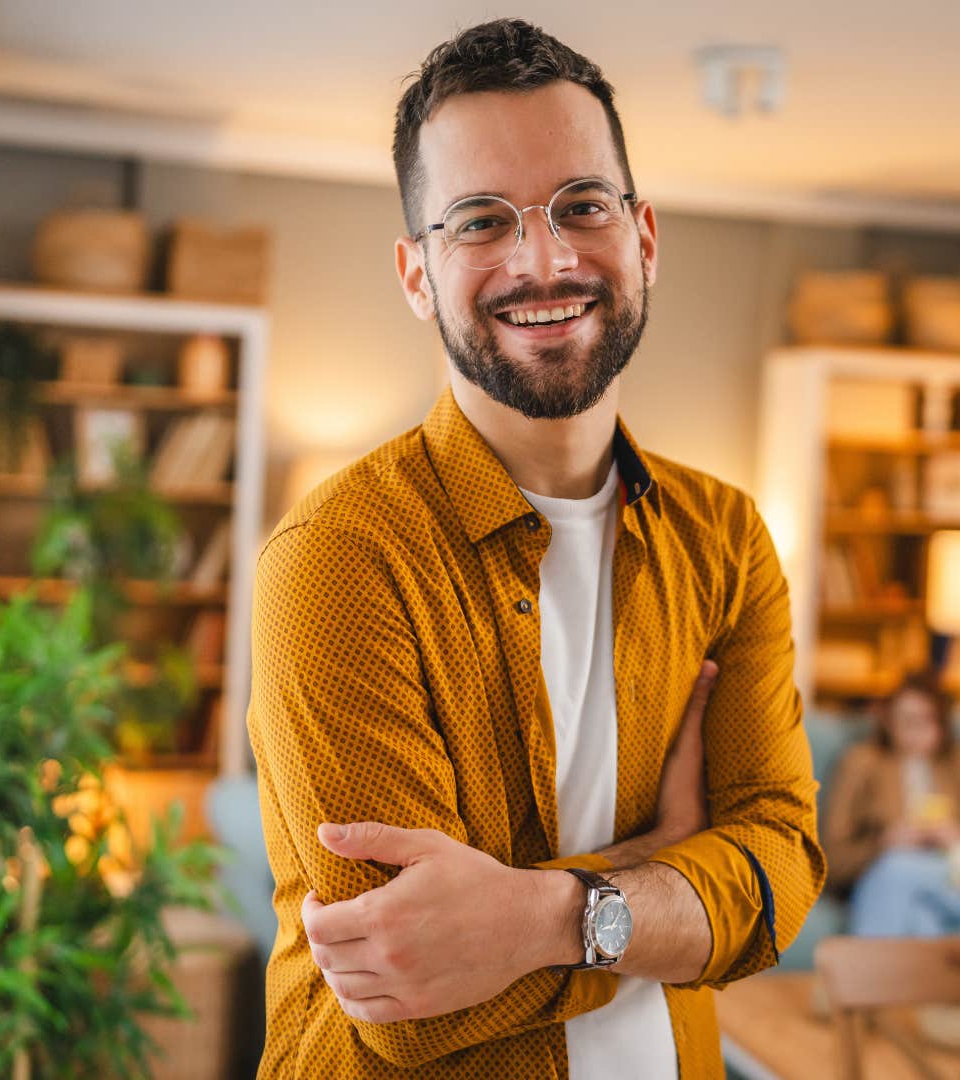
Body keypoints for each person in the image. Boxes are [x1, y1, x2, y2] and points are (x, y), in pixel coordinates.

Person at [245, 19, 825, 1079]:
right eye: (479, 220)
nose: (544, 258)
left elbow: (777, 879)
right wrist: (661, 869)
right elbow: (408, 996)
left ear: (643, 236)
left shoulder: (729, 539)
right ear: (418, 274)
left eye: (581, 205)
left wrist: (530, 916)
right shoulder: (336, 559)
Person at [820, 672, 960, 937]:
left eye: (925, 720)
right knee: (918, 914)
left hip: (956, 874)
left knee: (900, 879)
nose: (915, 731)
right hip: (885, 871)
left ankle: (865, 973)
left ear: (942, 722)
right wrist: (884, 844)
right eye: (905, 720)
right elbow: (832, 858)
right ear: (888, 722)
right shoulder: (862, 763)